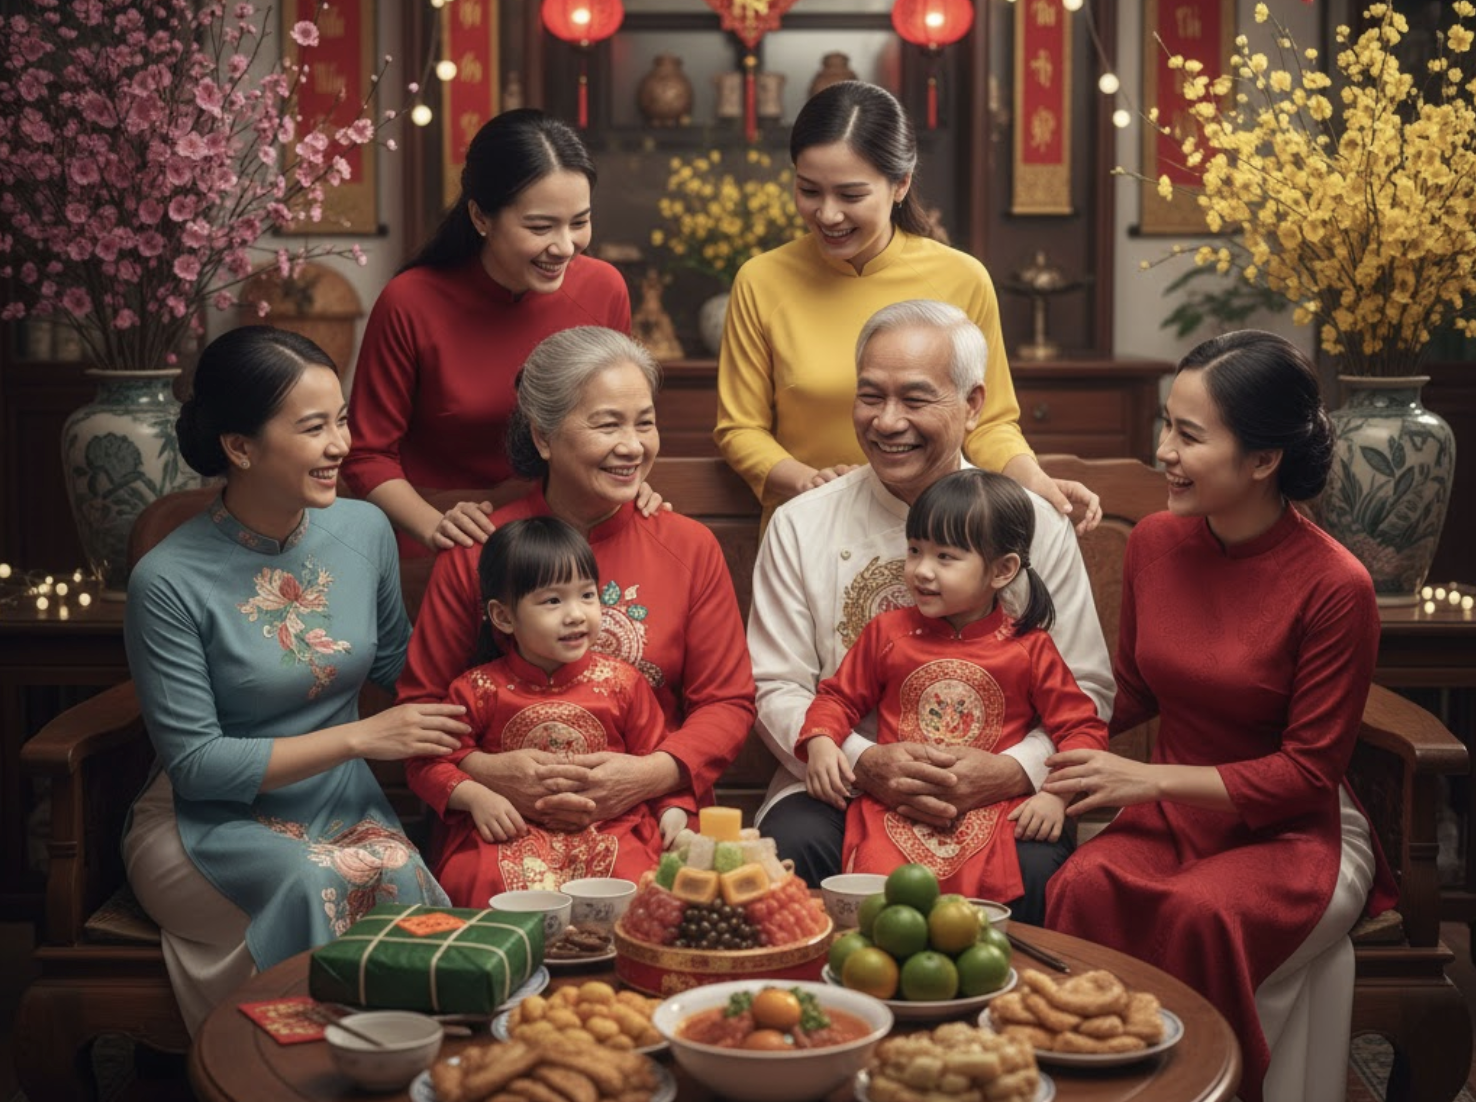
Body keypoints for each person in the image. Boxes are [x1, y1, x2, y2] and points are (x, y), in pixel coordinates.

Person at [1042, 330, 1398, 1102]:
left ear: (1264, 460)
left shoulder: (1337, 586)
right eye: (1166, 425)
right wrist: (1027, 748)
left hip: (1299, 832)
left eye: (1188, 435)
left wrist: (1145, 779)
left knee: (1205, 913)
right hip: (1172, 814)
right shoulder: (1156, 545)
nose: (1163, 450)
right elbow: (1129, 688)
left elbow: (1308, 774)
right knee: (1081, 884)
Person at [122, 327, 470, 1035]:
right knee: (322, 877)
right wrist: (362, 737)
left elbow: (397, 665)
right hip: (207, 824)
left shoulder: (365, 529)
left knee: (398, 871)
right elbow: (197, 766)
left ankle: (406, 1066)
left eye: (341, 420)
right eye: (314, 428)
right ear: (240, 447)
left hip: (343, 805)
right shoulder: (166, 581)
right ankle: (297, 1071)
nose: (341, 445)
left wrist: (501, 626)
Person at [749, 299, 1113, 925]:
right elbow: (775, 684)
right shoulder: (801, 522)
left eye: (915, 399)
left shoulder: (1034, 523)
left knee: (1034, 867)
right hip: (844, 779)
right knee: (796, 845)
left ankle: (1002, 1018)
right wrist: (865, 760)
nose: (888, 422)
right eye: (871, 396)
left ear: (973, 404)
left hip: (1001, 786)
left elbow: (1087, 690)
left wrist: (1010, 772)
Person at [399, 327, 754, 842]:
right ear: (543, 436)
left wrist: (647, 774)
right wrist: (485, 772)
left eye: (645, 424)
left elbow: (727, 703)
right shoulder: (478, 550)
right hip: (504, 820)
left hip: (654, 812)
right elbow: (423, 711)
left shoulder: (688, 546)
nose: (632, 446)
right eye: (608, 425)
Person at [714, 81, 1100, 533]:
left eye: (851, 195)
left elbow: (988, 421)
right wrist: (808, 482)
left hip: (940, 536)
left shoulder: (961, 278)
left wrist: (1036, 482)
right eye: (809, 191)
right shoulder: (762, 281)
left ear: (901, 184)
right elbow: (739, 429)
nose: (828, 214)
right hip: (808, 528)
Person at [799, 469, 1107, 900]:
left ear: (1002, 570)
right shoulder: (887, 634)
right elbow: (836, 697)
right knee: (881, 911)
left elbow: (1082, 729)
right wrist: (821, 741)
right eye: (914, 550)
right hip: (894, 810)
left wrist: (1055, 797)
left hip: (993, 813)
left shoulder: (1030, 648)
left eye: (945, 557)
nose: (921, 570)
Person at [343, 109, 632, 558]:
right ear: (481, 216)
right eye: (540, 227)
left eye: (578, 222)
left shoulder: (603, 288)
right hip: (440, 536)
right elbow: (366, 455)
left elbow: (623, 420)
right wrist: (435, 527)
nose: (564, 246)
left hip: (562, 541)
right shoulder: (410, 302)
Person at [406, 517, 692, 901]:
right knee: (477, 877)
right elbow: (429, 762)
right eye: (553, 601)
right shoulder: (476, 689)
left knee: (636, 878)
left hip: (610, 826)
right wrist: (476, 797)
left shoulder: (624, 682)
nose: (575, 614)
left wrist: (673, 814)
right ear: (504, 616)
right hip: (510, 829)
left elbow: (655, 754)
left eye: (587, 595)